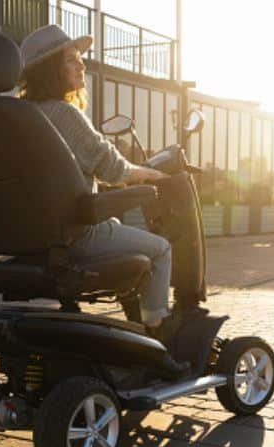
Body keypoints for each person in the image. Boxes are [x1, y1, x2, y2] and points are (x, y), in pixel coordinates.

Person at [18, 25, 179, 339]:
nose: (82, 65)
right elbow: (113, 167)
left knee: (116, 225)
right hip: (74, 237)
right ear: (50, 70)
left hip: (30, 237)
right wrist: (157, 176)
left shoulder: (20, 116)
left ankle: (134, 328)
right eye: (71, 60)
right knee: (160, 250)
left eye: (80, 58)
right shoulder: (63, 113)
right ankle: (158, 332)